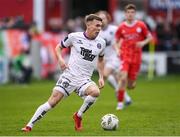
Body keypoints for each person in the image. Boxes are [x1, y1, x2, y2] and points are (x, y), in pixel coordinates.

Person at [21, 14, 106, 132]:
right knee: (53, 102)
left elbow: (101, 60)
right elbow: (58, 47)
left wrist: (101, 77)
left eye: (100, 26)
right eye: (97, 25)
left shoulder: (101, 42)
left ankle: (78, 115)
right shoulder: (74, 37)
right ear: (88, 25)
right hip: (69, 76)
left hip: (84, 79)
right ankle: (29, 126)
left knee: (95, 92)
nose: (99, 28)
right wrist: (60, 60)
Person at [114, 4, 152, 110]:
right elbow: (116, 41)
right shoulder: (121, 27)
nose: (130, 14)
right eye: (128, 12)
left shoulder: (141, 25)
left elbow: (149, 37)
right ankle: (120, 104)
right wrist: (117, 50)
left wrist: (143, 43)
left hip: (136, 57)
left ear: (135, 14)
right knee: (123, 78)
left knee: (130, 85)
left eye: (132, 12)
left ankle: (126, 84)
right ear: (125, 14)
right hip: (125, 55)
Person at [96, 11, 132, 109]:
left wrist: (119, 47)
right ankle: (126, 98)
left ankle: (118, 94)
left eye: (104, 18)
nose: (102, 20)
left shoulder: (114, 29)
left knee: (105, 75)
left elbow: (123, 38)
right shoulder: (96, 32)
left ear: (108, 19)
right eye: (100, 18)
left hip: (114, 57)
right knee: (116, 79)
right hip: (102, 58)